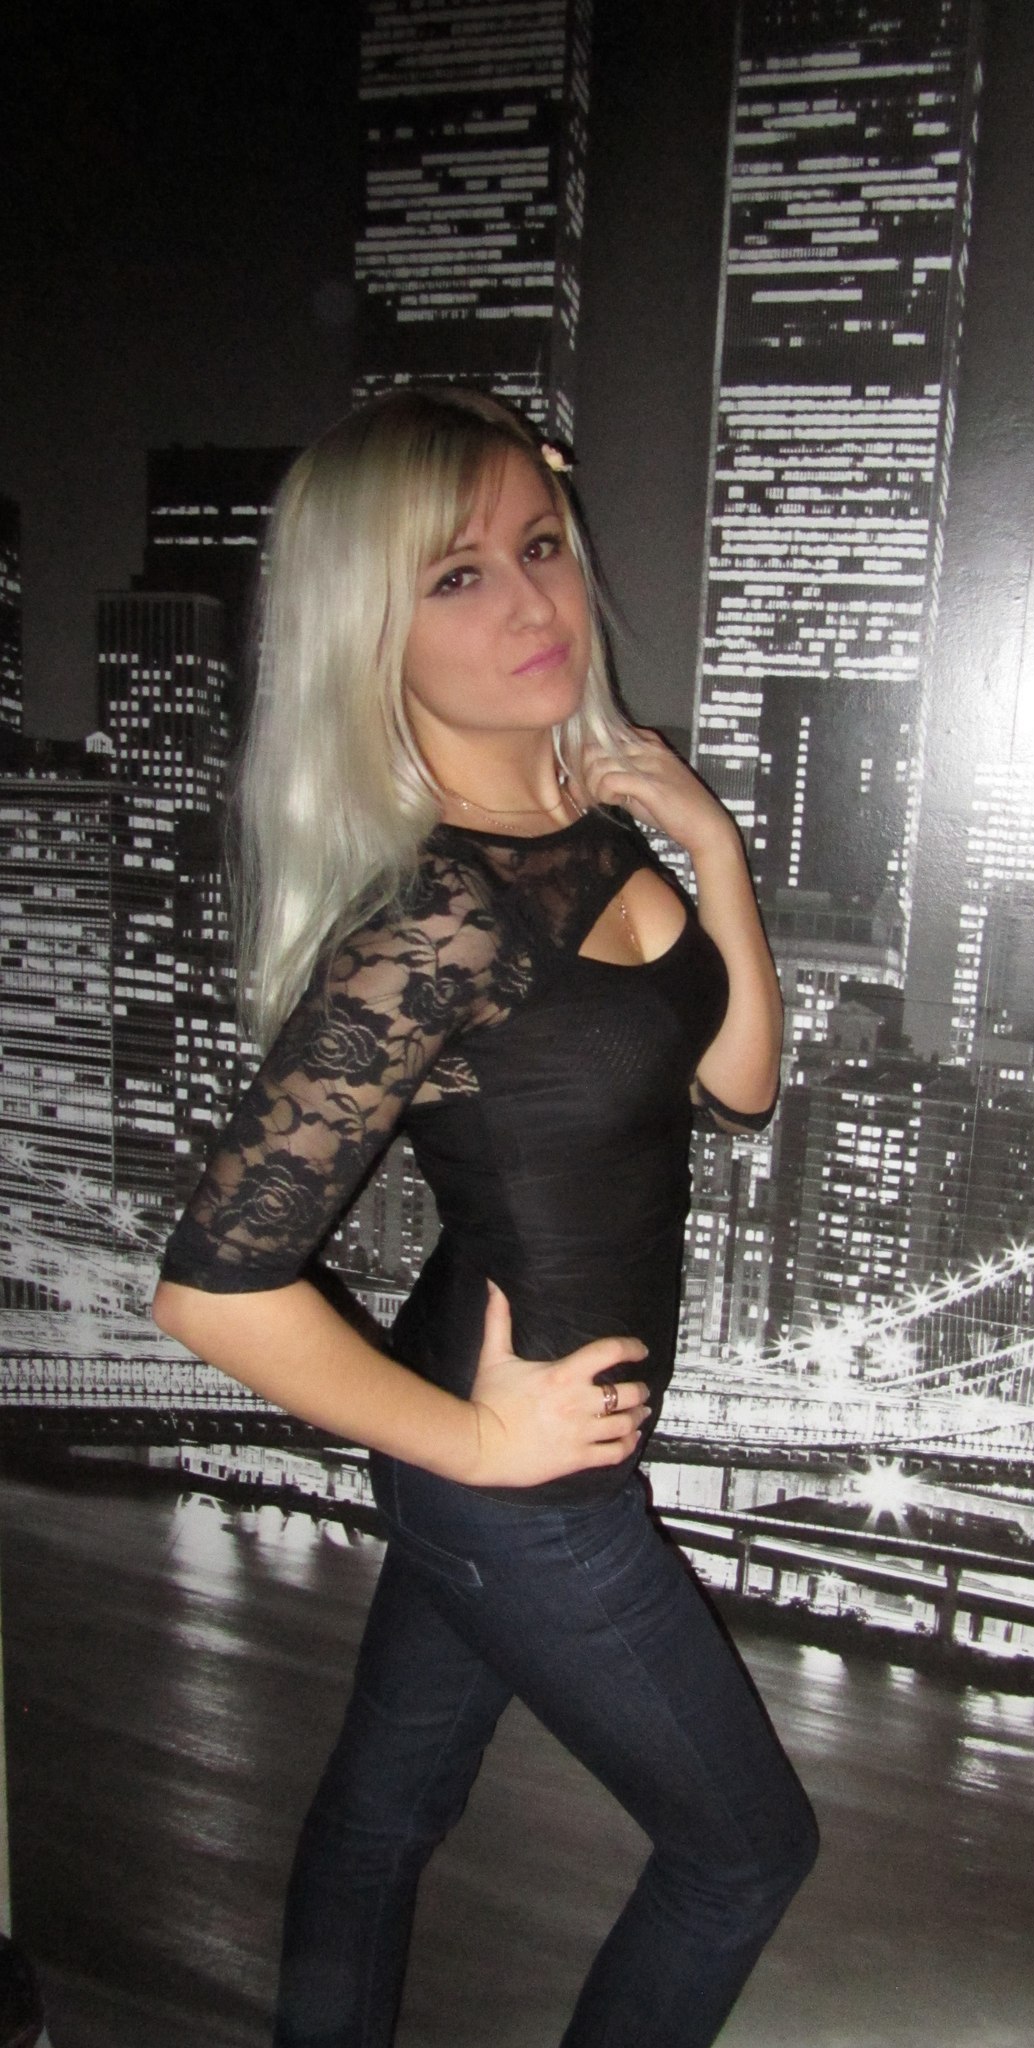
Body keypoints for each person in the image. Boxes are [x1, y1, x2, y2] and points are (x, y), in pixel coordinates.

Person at [153, 385, 818, 2048]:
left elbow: (737, 1087)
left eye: (540, 546)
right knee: (743, 1854)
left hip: (509, 1444)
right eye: (456, 576)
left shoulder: (591, 844)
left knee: (385, 1817)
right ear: (366, 628)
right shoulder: (435, 915)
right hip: (519, 1484)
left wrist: (709, 845)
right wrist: (477, 1448)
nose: (531, 602)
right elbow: (212, 1290)